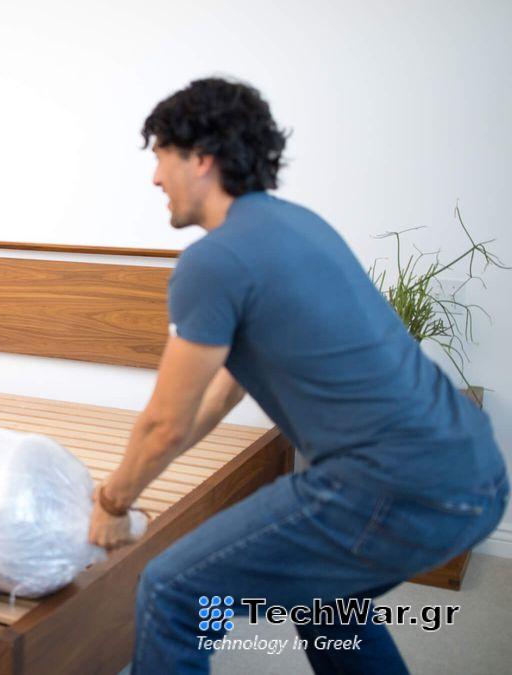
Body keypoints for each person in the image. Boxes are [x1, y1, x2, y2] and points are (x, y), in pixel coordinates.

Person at [87, 78, 507, 673]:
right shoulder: (299, 225)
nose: (155, 178)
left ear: (200, 159)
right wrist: (152, 478)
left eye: (161, 157)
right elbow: (219, 392)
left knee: (172, 590)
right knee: (326, 605)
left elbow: (163, 424)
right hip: (476, 476)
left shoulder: (214, 262)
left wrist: (111, 500)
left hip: (389, 487)